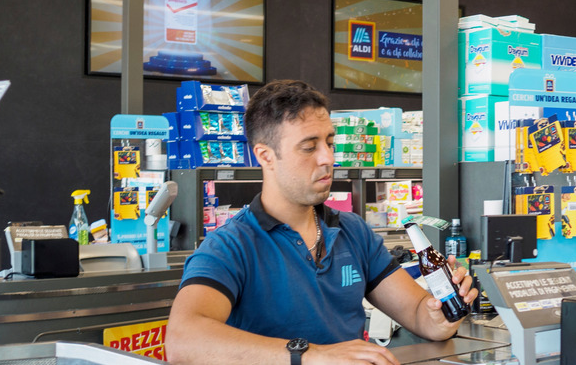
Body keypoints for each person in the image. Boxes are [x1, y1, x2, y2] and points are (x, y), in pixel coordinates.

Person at [166, 80, 478, 365]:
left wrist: (444, 315)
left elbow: (417, 313)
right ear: (265, 156)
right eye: (309, 146)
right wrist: (309, 354)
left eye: (329, 142)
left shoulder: (353, 232)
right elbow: (183, 341)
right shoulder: (230, 246)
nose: (328, 157)